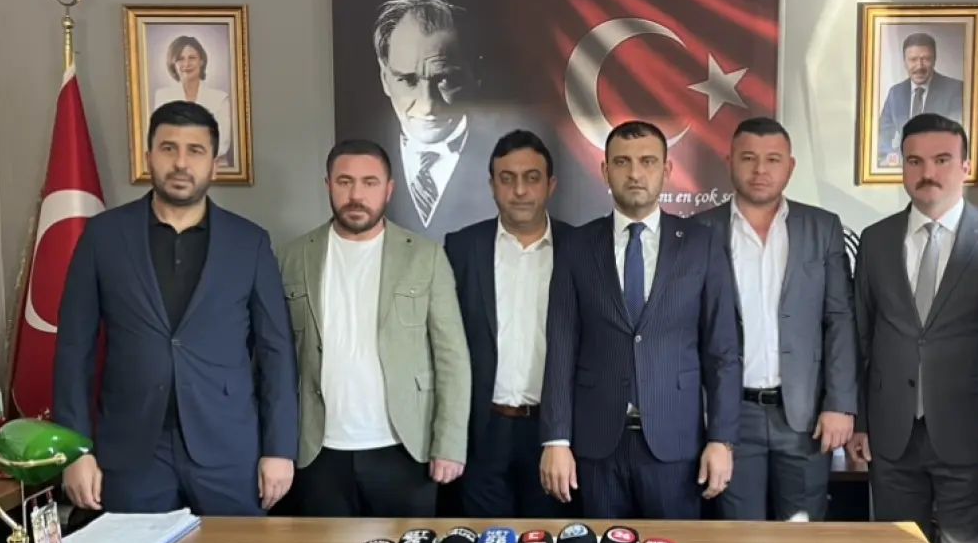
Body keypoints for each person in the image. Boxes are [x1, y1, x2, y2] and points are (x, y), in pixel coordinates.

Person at [53, 100, 297, 516]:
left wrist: (279, 449)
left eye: (195, 150)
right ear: (149, 156)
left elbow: (276, 352)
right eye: (169, 148)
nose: (181, 162)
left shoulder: (250, 242)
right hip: (131, 449)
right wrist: (75, 450)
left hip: (228, 447)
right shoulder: (102, 236)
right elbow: (74, 350)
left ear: (214, 165)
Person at [850, 112, 978, 543]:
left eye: (942, 160)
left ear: (965, 166)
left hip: (970, 431)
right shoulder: (875, 240)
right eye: (915, 161)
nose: (928, 173)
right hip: (892, 433)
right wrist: (860, 421)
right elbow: (862, 335)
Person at [540, 120, 740, 519]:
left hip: (676, 445)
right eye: (622, 162)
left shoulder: (700, 244)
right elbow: (561, 346)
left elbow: (722, 351)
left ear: (667, 170)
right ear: (605, 171)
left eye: (648, 161)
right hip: (596, 445)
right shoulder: (577, 246)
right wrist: (556, 440)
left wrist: (722, 439)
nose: (635, 173)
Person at [277, 139, 470, 517]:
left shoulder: (425, 256)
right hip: (317, 451)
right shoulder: (291, 256)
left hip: (405, 448)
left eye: (369, 182)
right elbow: (274, 360)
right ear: (328, 185)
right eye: (344, 181)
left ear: (389, 188)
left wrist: (449, 444)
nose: (356, 195)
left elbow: (452, 358)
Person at [696, 117, 857, 522]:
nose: (760, 169)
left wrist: (840, 404)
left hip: (803, 416)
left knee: (802, 536)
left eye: (773, 159)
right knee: (740, 537)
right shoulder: (699, 230)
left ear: (790, 166)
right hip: (731, 415)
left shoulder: (822, 227)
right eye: (748, 158)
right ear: (729, 161)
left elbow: (840, 318)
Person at [445, 130, 574, 518]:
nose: (520, 190)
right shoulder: (462, 248)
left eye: (532, 177)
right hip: (483, 430)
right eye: (507, 178)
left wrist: (562, 436)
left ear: (550, 184)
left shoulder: (581, 247)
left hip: (555, 433)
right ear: (492, 185)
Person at [360, 0, 503, 238]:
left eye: (444, 80)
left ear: (475, 74)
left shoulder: (510, 162)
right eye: (407, 80)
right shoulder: (359, 157)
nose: (427, 105)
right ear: (385, 78)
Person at [877, 32, 965, 166]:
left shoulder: (956, 90)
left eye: (926, 59)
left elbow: (955, 138)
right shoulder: (895, 93)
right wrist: (892, 157)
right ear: (904, 62)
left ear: (935, 60)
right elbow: (881, 137)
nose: (919, 66)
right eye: (913, 60)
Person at [153, 35, 233, 165]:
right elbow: (161, 140)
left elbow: (223, 143)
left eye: (192, 58)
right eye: (180, 59)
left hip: (214, 168)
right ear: (173, 64)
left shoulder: (220, 98)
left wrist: (186, 153)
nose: (186, 64)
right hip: (175, 166)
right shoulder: (163, 96)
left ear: (201, 61)